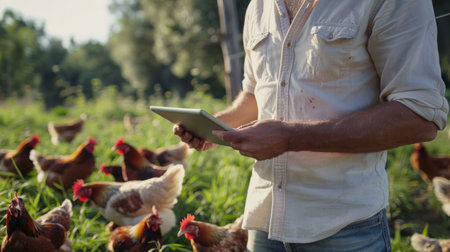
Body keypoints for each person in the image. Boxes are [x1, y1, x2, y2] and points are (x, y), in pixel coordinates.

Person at [174, 0, 449, 251]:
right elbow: (255, 94)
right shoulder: (258, 6)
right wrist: (215, 127)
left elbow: (419, 115)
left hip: (345, 229)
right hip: (263, 223)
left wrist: (291, 138)